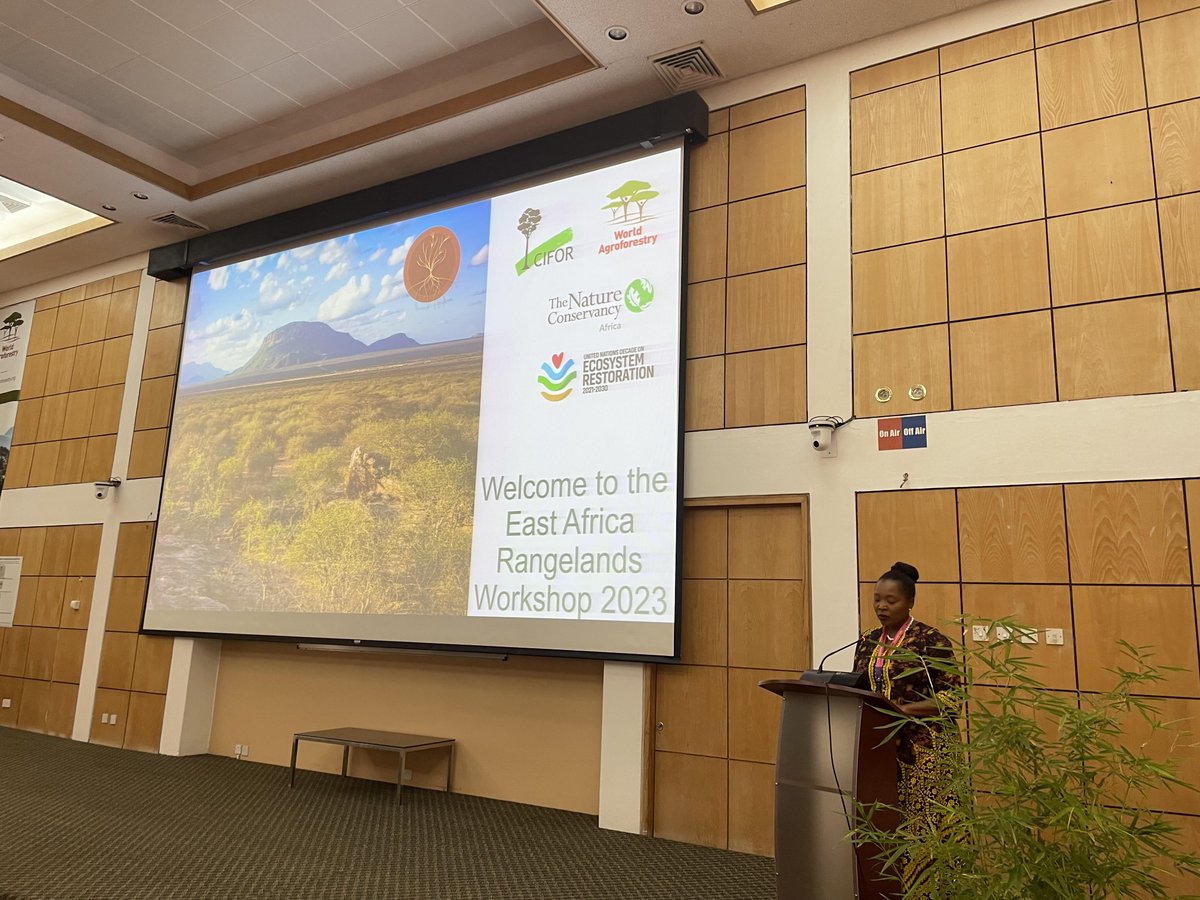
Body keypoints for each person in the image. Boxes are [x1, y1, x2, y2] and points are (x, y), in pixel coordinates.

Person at [853, 561, 960, 893]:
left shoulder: (931, 641)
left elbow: (954, 698)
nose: (881, 607)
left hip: (924, 753)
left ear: (909, 602)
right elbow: (859, 688)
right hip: (880, 752)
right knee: (888, 828)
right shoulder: (867, 641)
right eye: (876, 599)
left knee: (925, 830)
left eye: (891, 600)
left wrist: (904, 710)